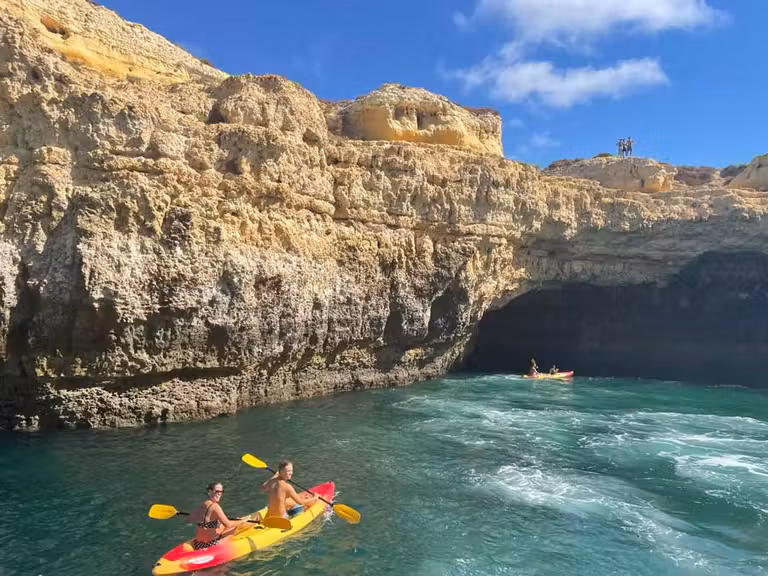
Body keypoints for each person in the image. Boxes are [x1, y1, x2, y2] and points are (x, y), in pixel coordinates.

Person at [187, 482, 246, 550]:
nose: (219, 493)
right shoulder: (215, 507)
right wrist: (241, 521)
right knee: (234, 528)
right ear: (210, 491)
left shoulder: (202, 504)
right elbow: (228, 524)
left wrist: (205, 517)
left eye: (221, 491)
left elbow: (189, 519)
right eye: (217, 491)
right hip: (212, 544)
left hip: (198, 544)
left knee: (221, 525)